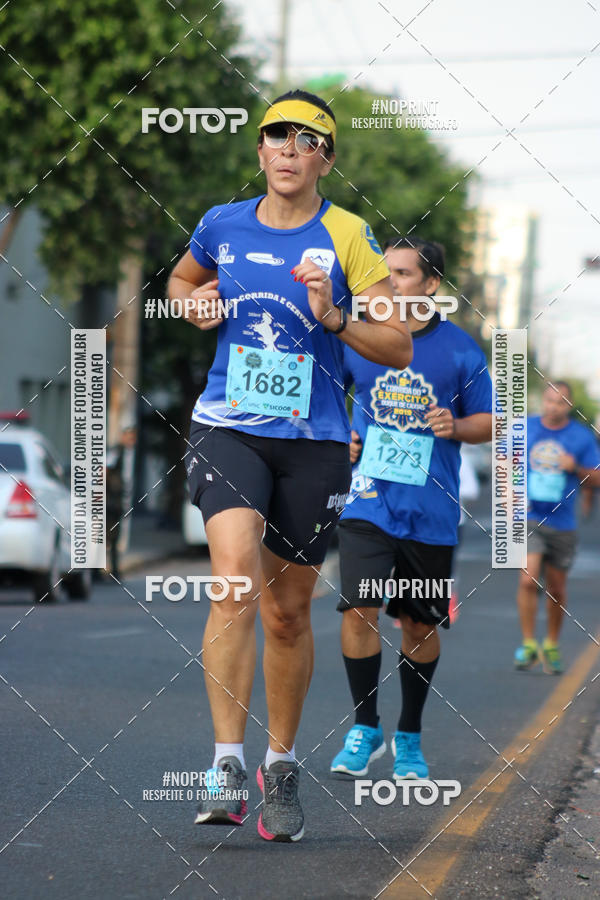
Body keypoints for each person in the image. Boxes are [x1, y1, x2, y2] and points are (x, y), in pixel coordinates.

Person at [167, 90, 412, 841]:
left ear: (324, 158)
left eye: (306, 139)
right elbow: (181, 283)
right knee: (234, 581)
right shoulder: (221, 223)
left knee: (284, 610)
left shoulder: (348, 236)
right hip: (228, 428)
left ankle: (280, 764)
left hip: (313, 443)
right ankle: (224, 764)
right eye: (276, 134)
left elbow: (396, 346)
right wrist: (193, 306)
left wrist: (334, 315)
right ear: (261, 150)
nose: (288, 147)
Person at [330, 237, 492, 781]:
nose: (390, 282)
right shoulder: (361, 339)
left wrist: (456, 425)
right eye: (385, 273)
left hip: (430, 512)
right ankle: (364, 726)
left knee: (419, 627)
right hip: (367, 502)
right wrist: (344, 439)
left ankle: (410, 736)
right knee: (358, 607)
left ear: (430, 285)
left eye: (401, 273)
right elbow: (329, 400)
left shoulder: (462, 351)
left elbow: (491, 420)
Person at [514, 381, 600, 674]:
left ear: (570, 406)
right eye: (550, 400)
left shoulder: (581, 437)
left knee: (557, 588)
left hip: (563, 522)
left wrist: (574, 468)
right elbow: (504, 463)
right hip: (529, 517)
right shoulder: (524, 427)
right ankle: (528, 643)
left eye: (561, 402)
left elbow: (596, 479)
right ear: (543, 400)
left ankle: (550, 643)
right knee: (528, 580)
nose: (554, 406)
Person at [105, 421, 137, 580]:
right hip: (111, 501)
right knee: (107, 536)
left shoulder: (129, 453)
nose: (131, 440)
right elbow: (105, 470)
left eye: (133, 438)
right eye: (129, 437)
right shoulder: (116, 451)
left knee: (114, 537)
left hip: (119, 501)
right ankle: (105, 570)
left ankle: (115, 571)